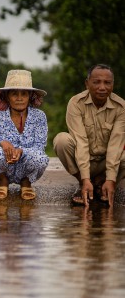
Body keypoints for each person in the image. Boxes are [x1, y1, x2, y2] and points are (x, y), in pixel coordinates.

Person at [53, 64, 125, 207]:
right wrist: (85, 178)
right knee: (61, 140)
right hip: (81, 161)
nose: (102, 87)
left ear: (113, 85)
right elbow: (81, 142)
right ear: (87, 84)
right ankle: (85, 184)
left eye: (107, 83)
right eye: (96, 82)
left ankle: (102, 184)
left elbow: (115, 145)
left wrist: (111, 180)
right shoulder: (76, 103)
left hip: (106, 162)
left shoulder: (121, 107)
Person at [0, 70, 49, 200]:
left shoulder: (39, 116)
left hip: (27, 163)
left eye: (24, 94)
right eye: (14, 94)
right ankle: (2, 181)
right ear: (7, 96)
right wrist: (2, 143)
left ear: (30, 96)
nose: (19, 98)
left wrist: (22, 151)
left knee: (40, 158)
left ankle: (26, 182)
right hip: (4, 166)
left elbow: (40, 146)